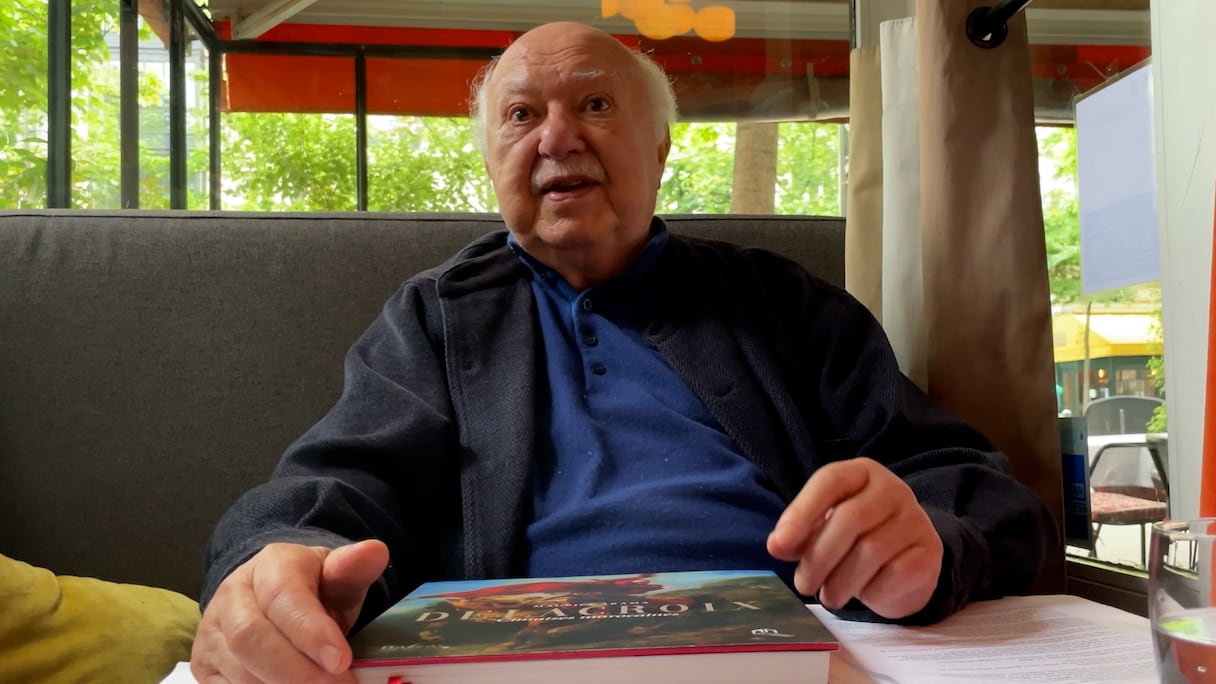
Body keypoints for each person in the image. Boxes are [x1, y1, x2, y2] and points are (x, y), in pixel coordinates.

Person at [190, 21, 1057, 683]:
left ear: (661, 148)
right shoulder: (433, 319)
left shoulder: (782, 302)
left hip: (787, 658)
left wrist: (931, 543)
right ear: (492, 160)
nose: (556, 138)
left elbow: (972, 487)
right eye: (521, 115)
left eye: (596, 105)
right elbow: (338, 486)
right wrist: (277, 563)